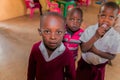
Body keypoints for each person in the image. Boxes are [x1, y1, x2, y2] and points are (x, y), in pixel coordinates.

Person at [76, 2, 120, 80]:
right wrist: (95, 36)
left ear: (115, 20)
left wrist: (95, 51)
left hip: (99, 68)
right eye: (103, 15)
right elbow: (83, 48)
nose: (106, 20)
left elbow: (112, 56)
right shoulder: (90, 30)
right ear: (98, 16)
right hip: (84, 65)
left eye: (111, 17)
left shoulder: (116, 37)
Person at [27, 12, 76, 80]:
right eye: (47, 31)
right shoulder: (36, 49)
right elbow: (31, 70)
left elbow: (71, 76)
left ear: (65, 32)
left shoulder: (67, 54)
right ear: (40, 31)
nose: (53, 37)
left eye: (58, 32)